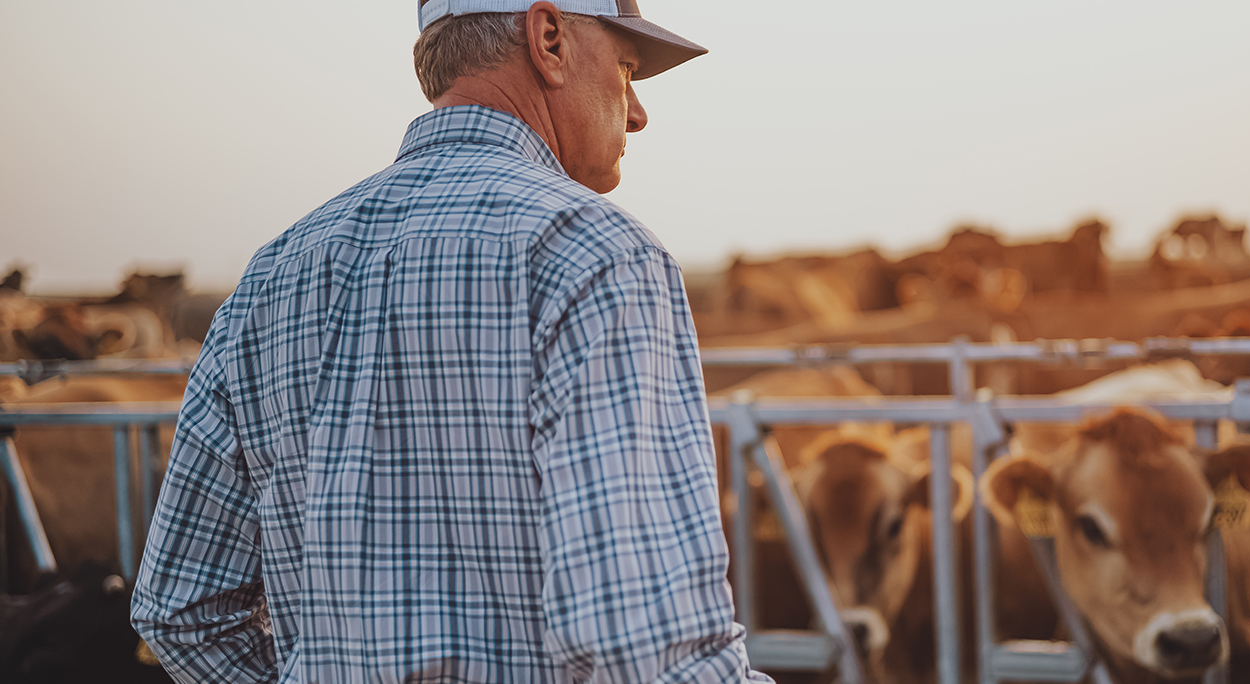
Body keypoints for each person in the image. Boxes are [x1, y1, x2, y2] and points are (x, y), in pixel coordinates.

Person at [131, 2, 772, 682]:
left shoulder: (271, 276)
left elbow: (182, 608)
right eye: (625, 66)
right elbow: (645, 645)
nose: (637, 110)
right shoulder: (595, 256)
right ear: (548, 38)